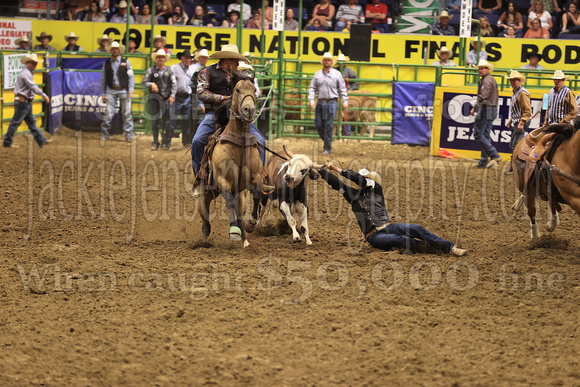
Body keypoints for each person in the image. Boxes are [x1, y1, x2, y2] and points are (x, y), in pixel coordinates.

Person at [317, 162, 467, 256]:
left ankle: (449, 247)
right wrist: (320, 170)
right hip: (374, 236)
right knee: (401, 239)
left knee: (417, 229)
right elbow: (336, 184)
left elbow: (358, 179)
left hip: (390, 227)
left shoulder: (376, 188)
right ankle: (430, 248)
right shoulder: (353, 196)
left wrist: (337, 168)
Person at [191, 44, 267, 178]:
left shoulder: (242, 75)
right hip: (214, 114)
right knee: (197, 141)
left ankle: (260, 176)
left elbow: (251, 90)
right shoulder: (207, 71)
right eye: (235, 60)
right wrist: (222, 98)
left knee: (260, 140)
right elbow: (201, 92)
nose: (238, 63)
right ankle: (200, 176)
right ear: (227, 60)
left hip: (238, 116)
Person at [3, 54, 51, 148]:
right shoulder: (26, 74)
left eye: (36, 64)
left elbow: (31, 87)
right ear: (28, 63)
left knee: (30, 123)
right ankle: (7, 142)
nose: (35, 65)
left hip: (25, 102)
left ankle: (42, 140)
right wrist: (44, 95)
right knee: (16, 122)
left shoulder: (27, 72)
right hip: (23, 102)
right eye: (33, 63)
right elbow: (33, 87)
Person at [308, 52, 348, 155]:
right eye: (325, 60)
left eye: (328, 60)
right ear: (323, 62)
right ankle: (327, 141)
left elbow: (342, 88)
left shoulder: (337, 74)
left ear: (331, 62)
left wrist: (345, 101)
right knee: (318, 124)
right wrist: (311, 100)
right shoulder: (317, 74)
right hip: (321, 102)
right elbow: (312, 88)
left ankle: (327, 147)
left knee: (329, 125)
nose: (326, 62)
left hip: (332, 101)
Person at [100, 41, 134, 142]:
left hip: (124, 90)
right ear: (111, 50)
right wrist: (103, 93)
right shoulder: (106, 64)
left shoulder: (126, 62)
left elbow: (131, 77)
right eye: (113, 49)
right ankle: (104, 134)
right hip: (111, 90)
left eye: (116, 49)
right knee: (108, 114)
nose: (115, 50)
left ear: (119, 50)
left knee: (127, 113)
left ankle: (129, 135)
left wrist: (131, 90)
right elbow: (103, 79)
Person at [470, 60, 502, 169]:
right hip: (491, 109)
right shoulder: (490, 79)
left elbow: (483, 96)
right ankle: (484, 161)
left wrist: (475, 108)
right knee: (485, 135)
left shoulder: (486, 81)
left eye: (482, 68)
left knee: (478, 134)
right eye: (479, 68)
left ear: (487, 69)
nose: (480, 70)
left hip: (486, 108)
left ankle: (494, 155)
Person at [143, 49, 176, 150]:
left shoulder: (170, 70)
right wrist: (151, 84)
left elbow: (174, 84)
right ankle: (155, 141)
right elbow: (144, 82)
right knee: (154, 121)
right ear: (156, 59)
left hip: (166, 99)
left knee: (166, 122)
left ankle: (165, 142)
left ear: (165, 59)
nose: (160, 59)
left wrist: (172, 96)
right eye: (159, 57)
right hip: (154, 99)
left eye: (162, 57)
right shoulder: (150, 70)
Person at [504, 70, 532, 175]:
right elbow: (518, 109)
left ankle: (517, 169)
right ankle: (515, 168)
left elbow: (527, 110)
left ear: (519, 81)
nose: (512, 82)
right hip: (518, 121)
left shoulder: (522, 93)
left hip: (521, 121)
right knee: (515, 145)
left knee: (516, 146)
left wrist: (522, 122)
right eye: (511, 80)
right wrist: (512, 120)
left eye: (515, 80)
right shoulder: (517, 92)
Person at [170, 49, 195, 149]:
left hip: (187, 98)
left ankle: (186, 141)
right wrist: (172, 95)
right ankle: (166, 142)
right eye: (186, 57)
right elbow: (171, 83)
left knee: (186, 121)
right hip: (176, 97)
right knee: (171, 119)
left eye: (189, 58)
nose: (188, 59)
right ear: (181, 58)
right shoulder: (174, 68)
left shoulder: (192, 69)